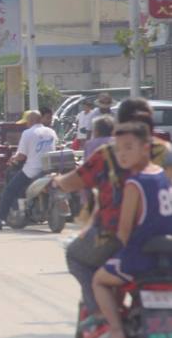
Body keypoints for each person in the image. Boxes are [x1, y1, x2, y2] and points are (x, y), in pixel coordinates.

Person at [52, 98, 172, 330]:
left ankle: (101, 317)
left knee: (76, 256)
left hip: (116, 239)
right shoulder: (165, 153)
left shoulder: (109, 153)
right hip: (164, 239)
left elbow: (73, 182)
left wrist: (57, 182)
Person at [92, 121, 172, 338]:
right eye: (118, 148)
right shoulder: (161, 176)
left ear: (145, 148)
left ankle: (116, 329)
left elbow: (124, 232)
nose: (122, 154)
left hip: (141, 258)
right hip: (167, 256)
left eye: (129, 147)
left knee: (99, 280)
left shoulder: (135, 183)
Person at [0, 110, 58, 230]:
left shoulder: (27, 133)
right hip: (49, 169)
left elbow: (21, 155)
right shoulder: (51, 132)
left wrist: (12, 159)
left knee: (8, 190)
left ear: (30, 121)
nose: (26, 124)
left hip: (32, 170)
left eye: (27, 122)